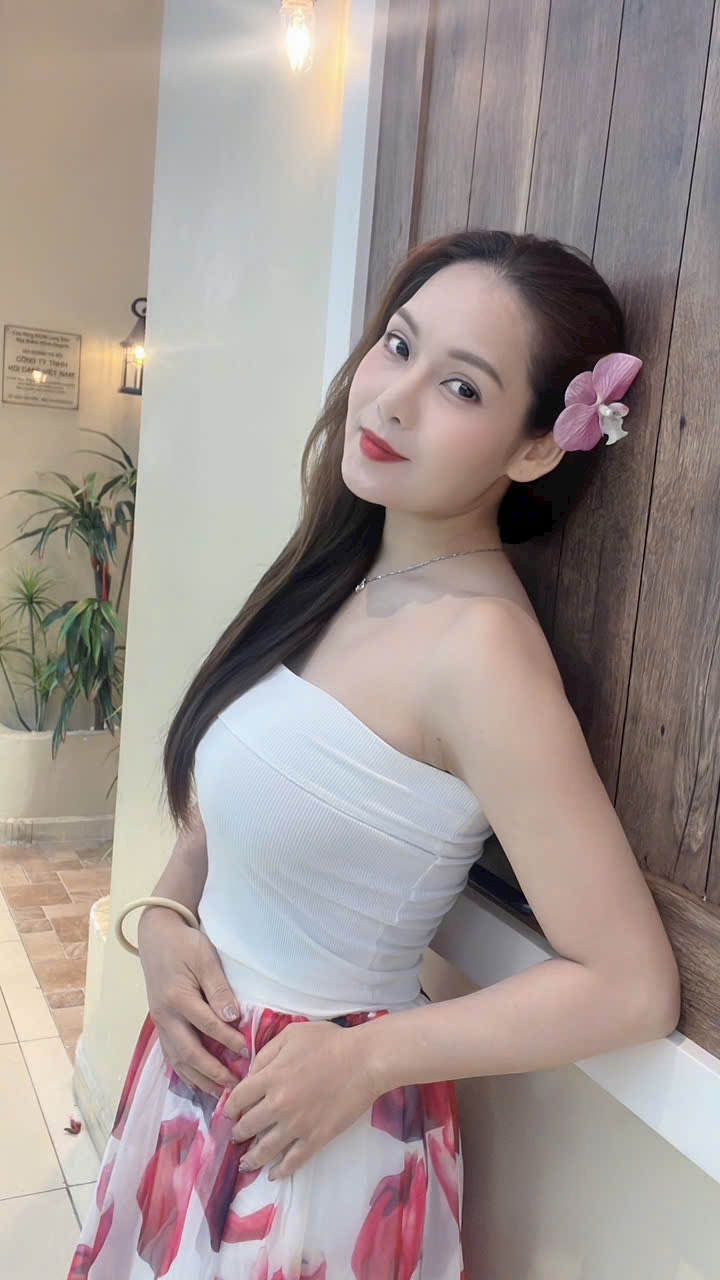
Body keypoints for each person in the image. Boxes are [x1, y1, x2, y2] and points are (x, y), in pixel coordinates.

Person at [67, 229, 681, 1280]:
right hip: (201, 1096)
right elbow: (234, 809)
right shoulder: (337, 572)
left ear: (537, 448)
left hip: (317, 1144)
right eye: (398, 345)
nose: (392, 399)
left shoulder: (482, 651)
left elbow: (630, 985)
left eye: (460, 386)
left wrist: (367, 1056)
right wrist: (166, 916)